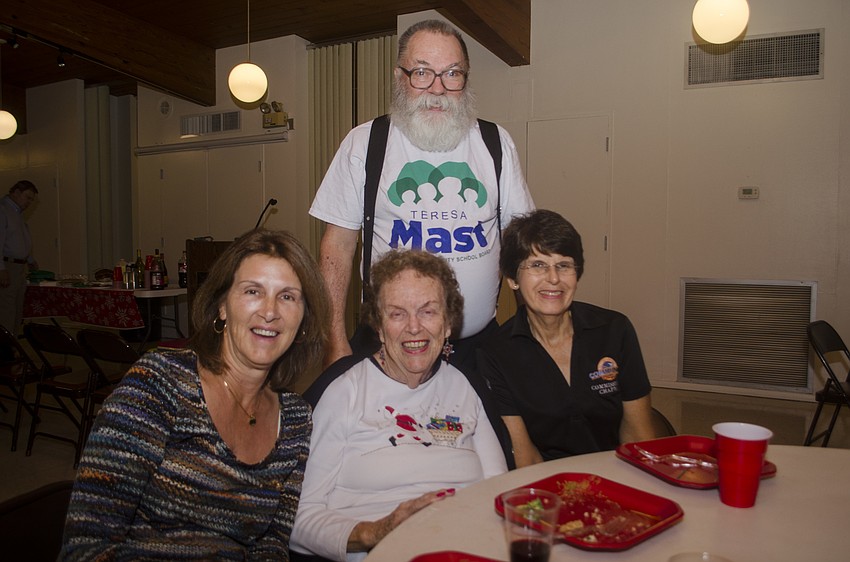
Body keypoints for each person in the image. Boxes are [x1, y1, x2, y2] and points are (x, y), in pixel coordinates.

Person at [61, 229, 330, 560]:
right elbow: (85, 548)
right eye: (252, 291)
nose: (270, 311)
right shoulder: (159, 383)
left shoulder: (296, 420)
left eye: (287, 296)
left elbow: (273, 541)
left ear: (303, 322)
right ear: (221, 307)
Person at [310, 19, 535, 372]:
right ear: (400, 77)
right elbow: (336, 247)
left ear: (465, 80)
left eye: (452, 73)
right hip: (387, 348)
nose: (438, 88)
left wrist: (532, 334)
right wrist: (334, 340)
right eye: (422, 73)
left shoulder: (496, 143)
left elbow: (522, 244)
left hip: (480, 351)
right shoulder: (364, 143)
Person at [290, 250, 508, 562]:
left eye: (428, 312)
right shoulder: (345, 393)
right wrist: (374, 531)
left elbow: (498, 492)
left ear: (448, 323)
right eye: (397, 314)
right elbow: (299, 521)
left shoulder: (465, 387)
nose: (414, 327)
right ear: (378, 327)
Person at [477, 210, 656, 467]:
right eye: (537, 265)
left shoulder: (614, 331)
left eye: (564, 265)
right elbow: (525, 456)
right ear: (512, 279)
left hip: (618, 476)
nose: (553, 278)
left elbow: (638, 436)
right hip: (548, 485)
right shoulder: (496, 353)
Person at [0, 180, 39, 338]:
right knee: (6, 308)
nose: (29, 203)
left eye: (31, 200)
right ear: (16, 192)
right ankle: (4, 348)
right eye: (27, 197)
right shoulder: (3, 210)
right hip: (8, 265)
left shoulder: (16, 213)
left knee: (17, 308)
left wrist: (29, 259)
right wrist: (1, 269)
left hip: (19, 267)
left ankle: (13, 343)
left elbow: (19, 239)